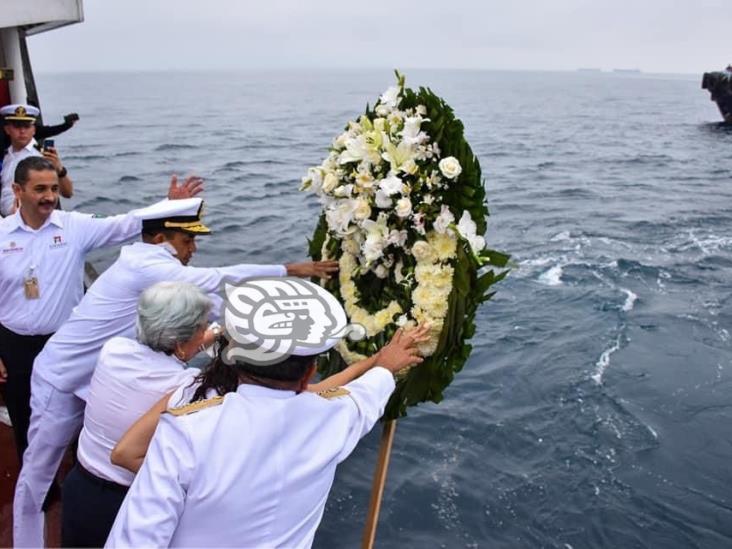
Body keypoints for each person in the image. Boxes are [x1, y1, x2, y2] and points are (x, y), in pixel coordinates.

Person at [13, 197, 338, 548]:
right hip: (60, 378)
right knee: (37, 477)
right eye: (186, 241)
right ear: (159, 240)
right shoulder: (147, 267)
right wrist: (289, 270)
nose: (193, 249)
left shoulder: (150, 276)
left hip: (100, 374)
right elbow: (215, 280)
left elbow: (209, 307)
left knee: (94, 450)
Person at [64, 282, 427, 547]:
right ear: (308, 372)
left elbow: (136, 540)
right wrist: (384, 366)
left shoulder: (188, 430)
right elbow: (365, 396)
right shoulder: (335, 419)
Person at [0, 156, 202, 469]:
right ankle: (42, 490)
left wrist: (169, 205)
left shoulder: (74, 228)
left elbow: (125, 224)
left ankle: (80, 468)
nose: (50, 196)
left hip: (69, 342)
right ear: (17, 190)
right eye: (40, 189)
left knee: (82, 414)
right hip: (14, 343)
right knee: (24, 414)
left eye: (54, 188)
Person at [0, 104, 73, 217]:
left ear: (34, 130)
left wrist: (60, 170)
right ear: (7, 129)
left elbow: (67, 193)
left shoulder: (41, 156)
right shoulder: (6, 154)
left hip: (30, 221)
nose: (22, 131)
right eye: (17, 126)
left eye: (27, 126)